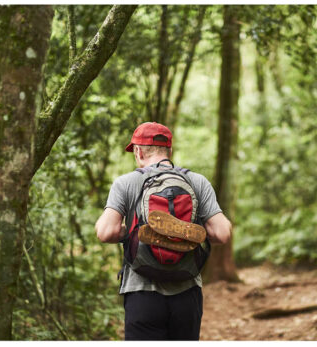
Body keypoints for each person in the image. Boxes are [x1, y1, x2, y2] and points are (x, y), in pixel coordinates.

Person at [94, 122, 233, 340]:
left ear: (138, 152)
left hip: (141, 293)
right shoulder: (197, 182)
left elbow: (105, 232)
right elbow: (222, 233)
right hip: (187, 292)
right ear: (170, 150)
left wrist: (134, 232)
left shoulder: (126, 183)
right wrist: (185, 231)